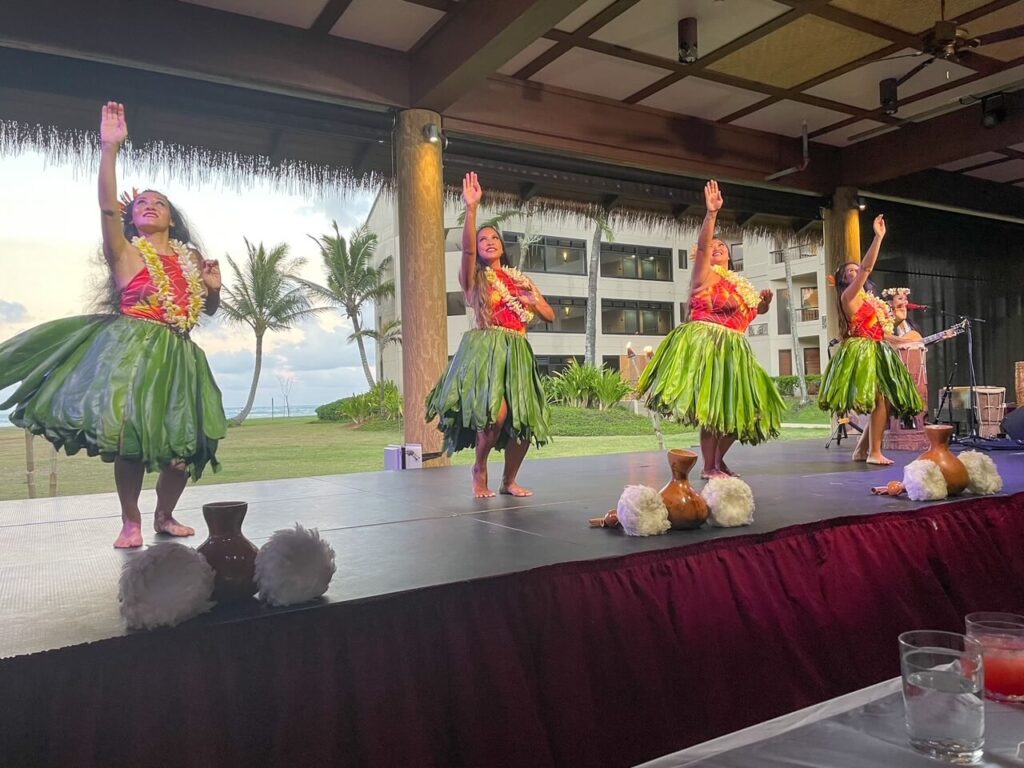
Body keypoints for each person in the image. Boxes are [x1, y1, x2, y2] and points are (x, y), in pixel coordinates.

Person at [0, 102, 227, 547]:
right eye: (141, 202)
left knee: (184, 447)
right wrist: (109, 150)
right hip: (135, 353)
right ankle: (130, 521)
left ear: (172, 219)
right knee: (133, 441)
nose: (149, 205)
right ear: (131, 218)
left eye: (158, 203)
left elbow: (207, 311)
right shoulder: (125, 253)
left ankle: (164, 514)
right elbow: (107, 207)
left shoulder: (190, 260)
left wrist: (214, 289)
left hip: (181, 355)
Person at [637, 180, 784, 479]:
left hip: (735, 348)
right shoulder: (704, 276)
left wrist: (765, 304)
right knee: (715, 408)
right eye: (712, 247)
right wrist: (711, 215)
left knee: (748, 412)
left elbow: (751, 315)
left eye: (722, 247)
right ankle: (708, 467)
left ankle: (717, 460)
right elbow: (704, 244)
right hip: (710, 344)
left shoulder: (740, 287)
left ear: (729, 256)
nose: (716, 248)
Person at [425, 172, 554, 498]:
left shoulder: (518, 279)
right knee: (494, 416)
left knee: (524, 422)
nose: (489, 242)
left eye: (494, 238)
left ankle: (509, 480)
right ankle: (479, 468)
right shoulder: (474, 279)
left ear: (502, 246)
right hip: (488, 350)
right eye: (483, 240)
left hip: (517, 350)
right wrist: (472, 210)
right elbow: (466, 252)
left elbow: (550, 315)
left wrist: (533, 300)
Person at [818, 216, 924, 465]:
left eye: (857, 270)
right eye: (850, 272)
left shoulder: (870, 302)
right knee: (879, 399)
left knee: (884, 401)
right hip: (862, 351)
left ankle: (862, 449)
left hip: (877, 347)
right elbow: (867, 269)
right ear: (844, 280)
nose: (857, 272)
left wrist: (897, 326)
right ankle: (874, 452)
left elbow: (879, 329)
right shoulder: (849, 295)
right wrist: (878, 238)